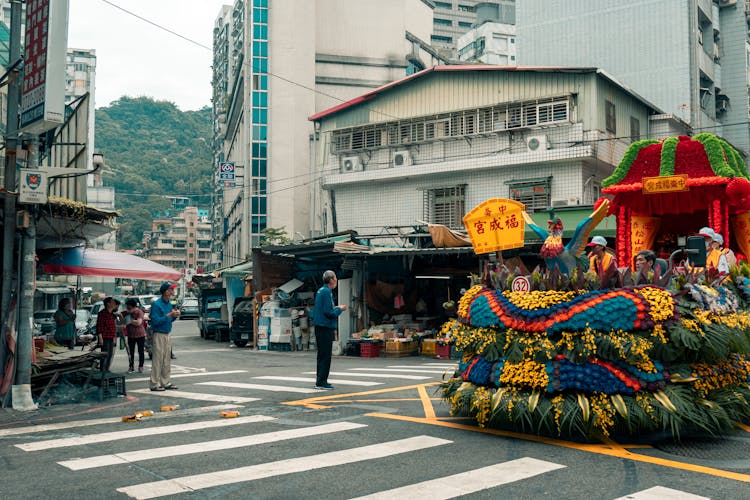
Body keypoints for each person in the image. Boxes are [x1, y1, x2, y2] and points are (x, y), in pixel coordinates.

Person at [312, 270, 347, 390]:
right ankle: (322, 382)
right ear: (331, 279)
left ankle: (320, 381)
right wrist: (340, 309)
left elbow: (326, 309)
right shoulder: (326, 292)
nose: (336, 280)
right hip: (324, 326)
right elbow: (328, 312)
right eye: (335, 278)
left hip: (321, 326)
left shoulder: (322, 291)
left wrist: (335, 308)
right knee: (325, 355)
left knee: (322, 355)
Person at [149, 282, 180, 391]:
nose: (173, 291)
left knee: (166, 359)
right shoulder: (157, 304)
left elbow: (169, 320)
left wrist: (174, 316)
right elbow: (155, 322)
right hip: (159, 334)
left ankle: (165, 382)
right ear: (166, 291)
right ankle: (154, 384)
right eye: (171, 289)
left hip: (167, 333)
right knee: (158, 359)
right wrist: (169, 315)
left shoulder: (168, 303)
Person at [96, 297, 118, 372]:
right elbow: (99, 326)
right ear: (108, 304)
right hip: (104, 337)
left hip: (111, 337)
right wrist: (100, 338)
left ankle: (106, 370)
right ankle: (103, 370)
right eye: (112, 302)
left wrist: (114, 338)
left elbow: (114, 327)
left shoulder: (112, 314)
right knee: (105, 355)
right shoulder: (102, 313)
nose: (114, 303)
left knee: (110, 355)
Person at [125, 298, 147, 373]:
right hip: (130, 335)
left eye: (129, 307)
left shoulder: (139, 312)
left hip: (140, 334)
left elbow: (139, 322)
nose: (128, 309)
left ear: (134, 306)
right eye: (127, 307)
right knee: (130, 352)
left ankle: (141, 366)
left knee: (141, 351)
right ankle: (131, 366)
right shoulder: (127, 313)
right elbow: (122, 322)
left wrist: (129, 321)